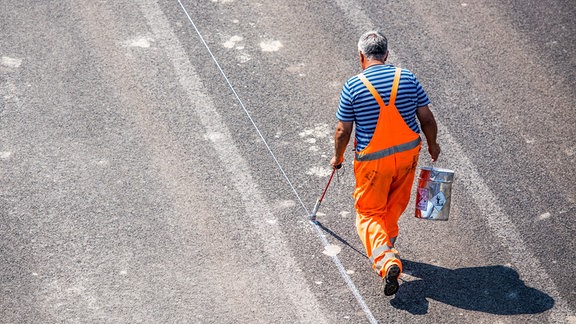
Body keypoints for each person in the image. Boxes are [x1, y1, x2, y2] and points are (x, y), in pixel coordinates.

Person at [330, 30, 441, 296]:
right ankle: (387, 243)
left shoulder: (353, 86)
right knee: (395, 203)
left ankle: (385, 260)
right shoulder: (407, 78)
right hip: (407, 156)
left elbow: (343, 131)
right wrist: (433, 145)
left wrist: (338, 157)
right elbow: (426, 117)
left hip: (373, 162)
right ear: (386, 54)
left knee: (368, 213)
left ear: (361, 56)